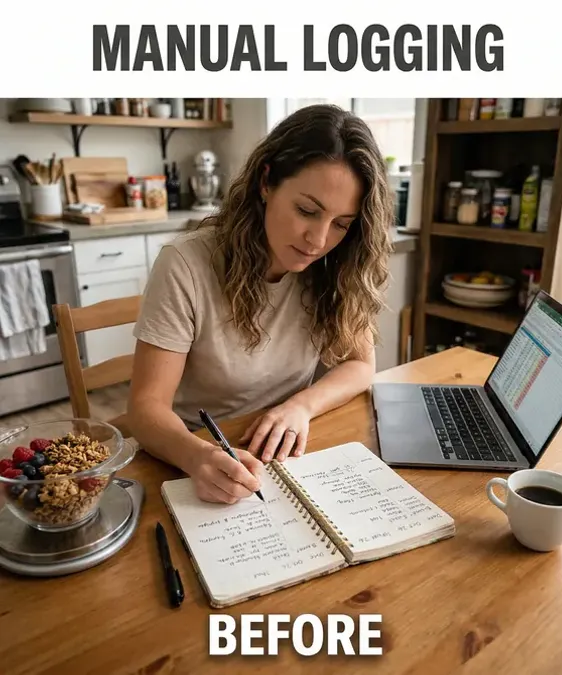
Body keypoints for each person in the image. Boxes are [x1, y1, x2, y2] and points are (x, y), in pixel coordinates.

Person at [126, 104, 393, 504]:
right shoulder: (186, 264)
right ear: (266, 182)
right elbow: (145, 410)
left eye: (341, 224)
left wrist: (301, 406)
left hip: (285, 451)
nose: (318, 241)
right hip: (196, 450)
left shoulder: (339, 265)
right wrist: (197, 457)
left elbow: (360, 365)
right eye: (307, 210)